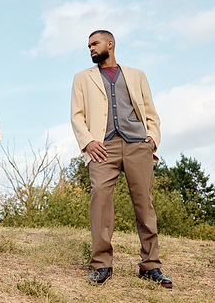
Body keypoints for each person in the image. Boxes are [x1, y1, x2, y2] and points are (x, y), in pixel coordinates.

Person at [71, 30, 172, 287]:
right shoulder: (82, 78)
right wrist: (89, 142)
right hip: (102, 147)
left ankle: (150, 266)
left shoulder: (136, 75)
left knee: (144, 205)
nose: (91, 49)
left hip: (138, 144)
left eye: (95, 44)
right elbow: (77, 115)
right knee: (100, 202)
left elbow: (150, 111)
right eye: (89, 46)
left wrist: (152, 139)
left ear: (110, 44)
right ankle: (102, 264)